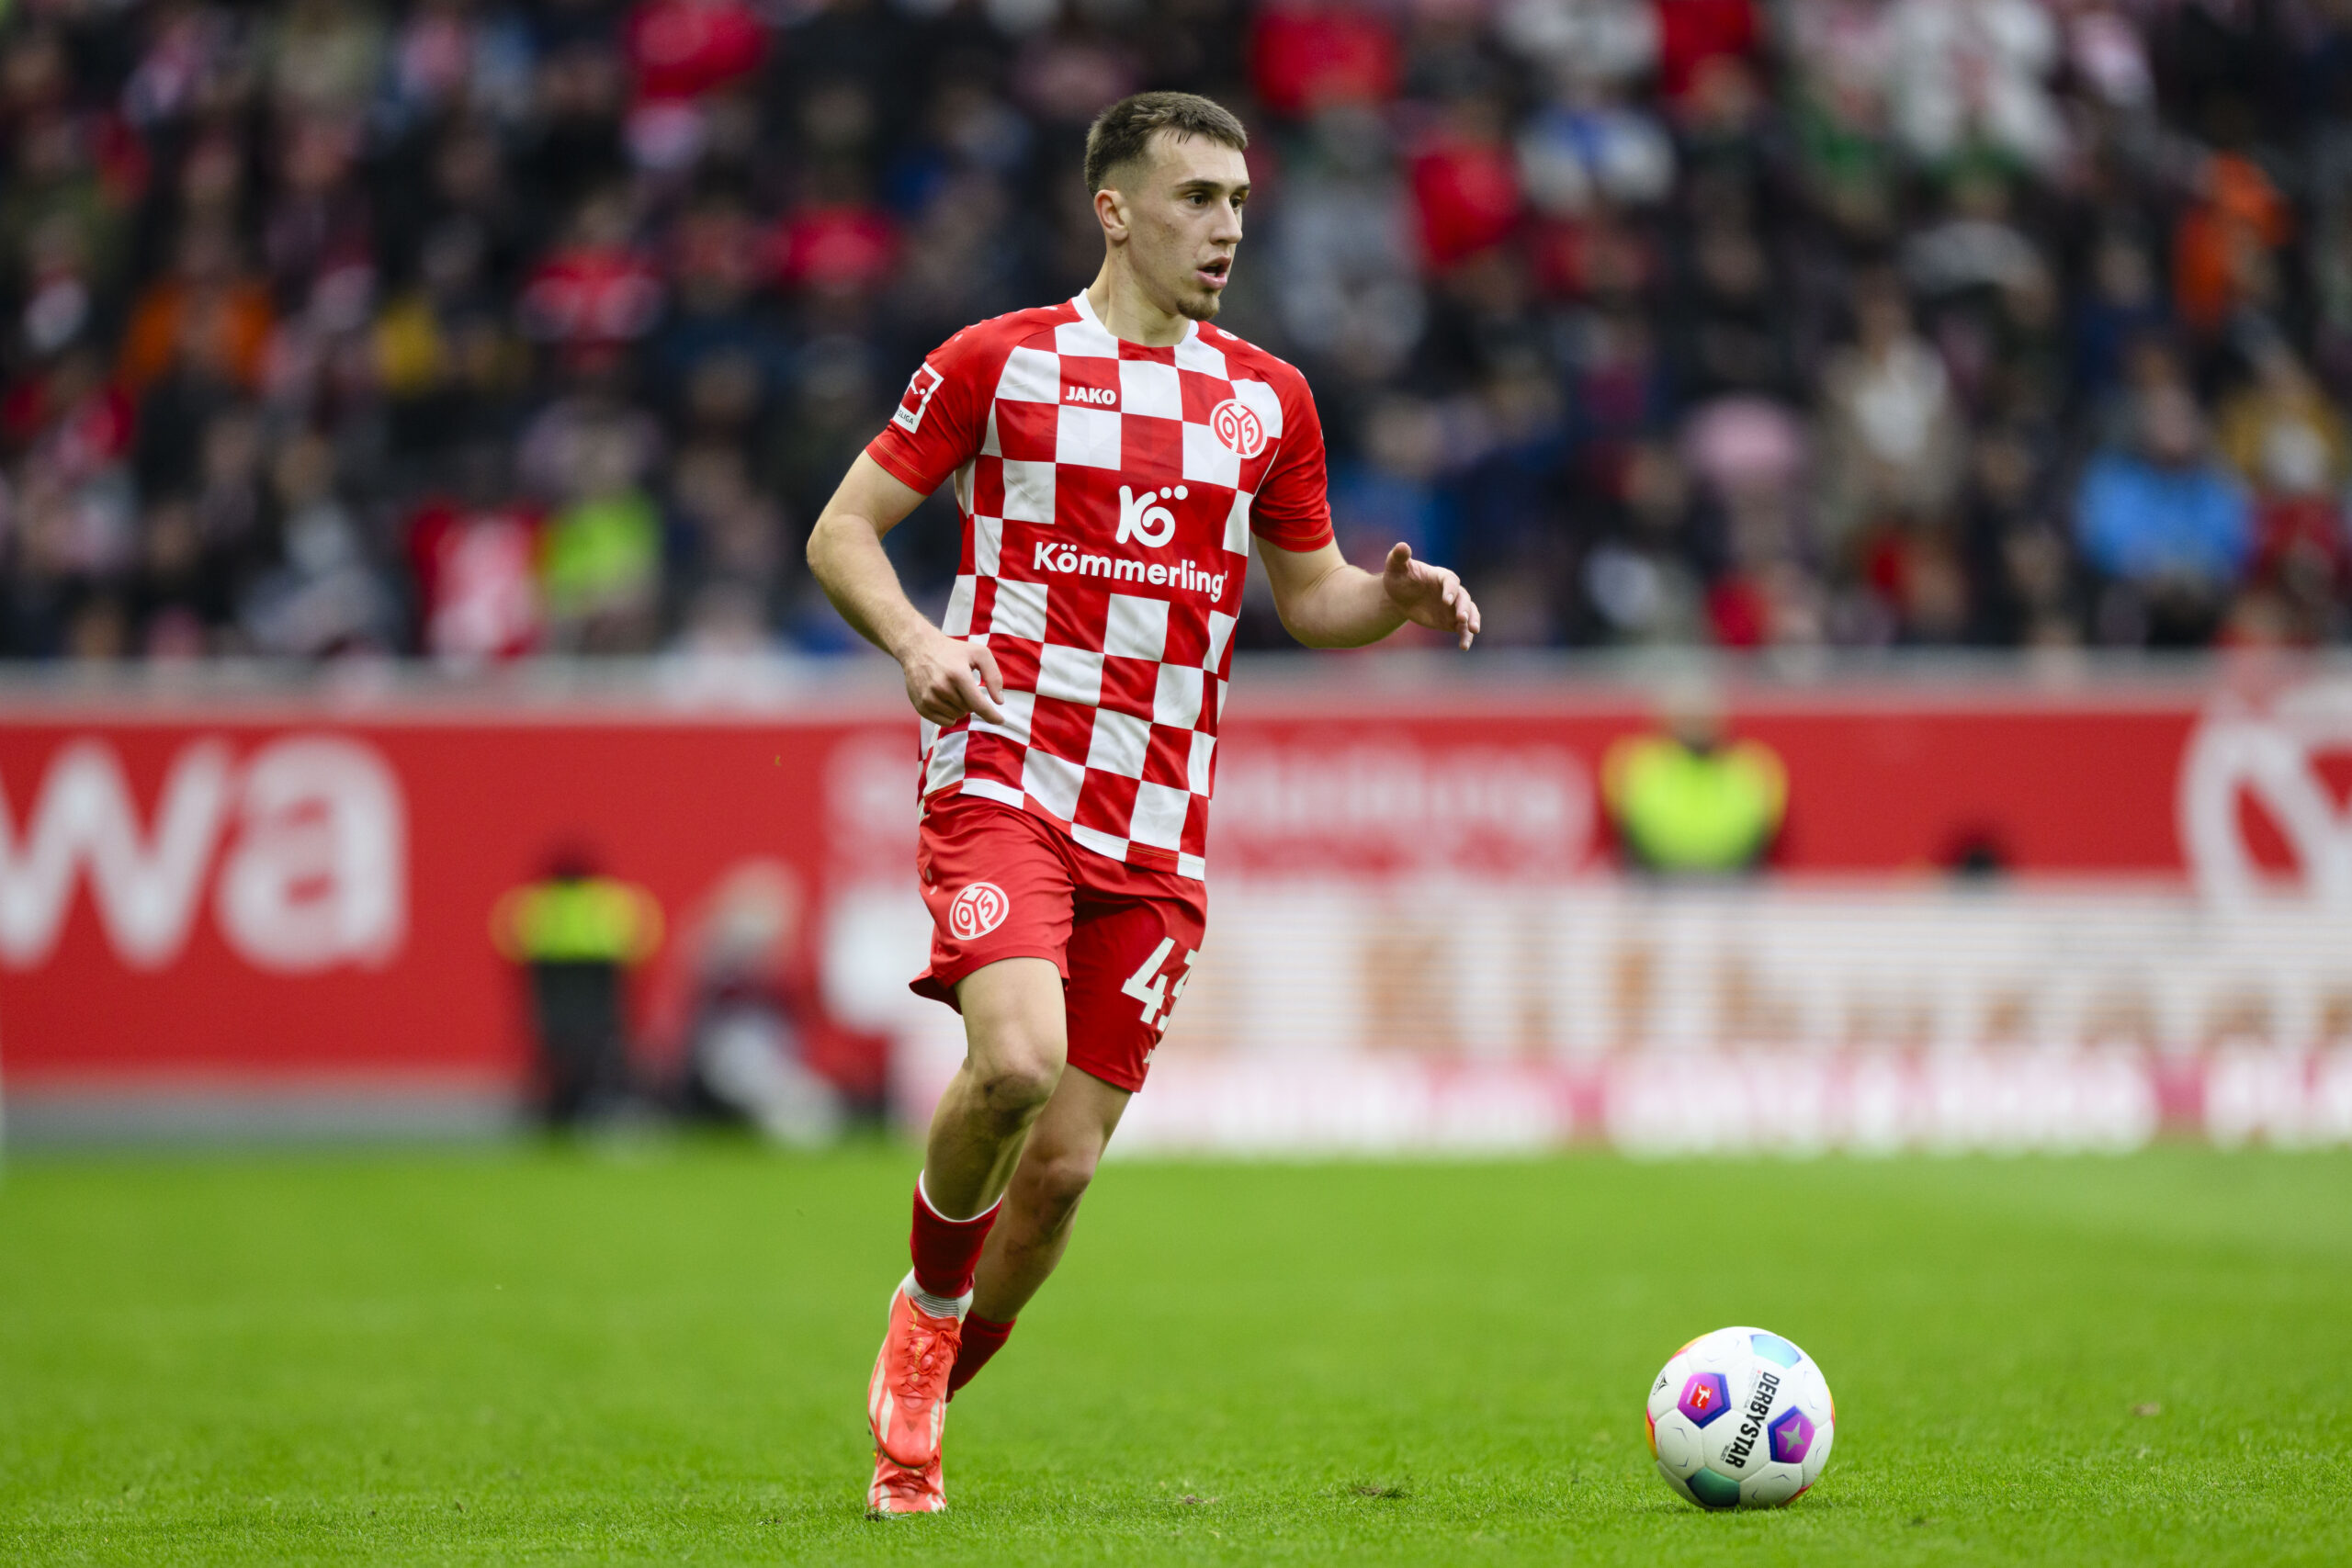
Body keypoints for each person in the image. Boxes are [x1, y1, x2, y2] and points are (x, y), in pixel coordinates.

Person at [802, 92, 1482, 1517]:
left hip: (1160, 822)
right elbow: (841, 531)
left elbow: (1312, 597)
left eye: (1238, 201)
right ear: (1114, 209)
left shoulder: (1266, 399)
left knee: (1056, 1175)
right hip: (1005, 769)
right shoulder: (1002, 362)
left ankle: (934, 1372)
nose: (1226, 227)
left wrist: (1395, 604)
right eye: (1195, 199)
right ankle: (920, 1336)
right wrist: (922, 643)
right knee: (1012, 1066)